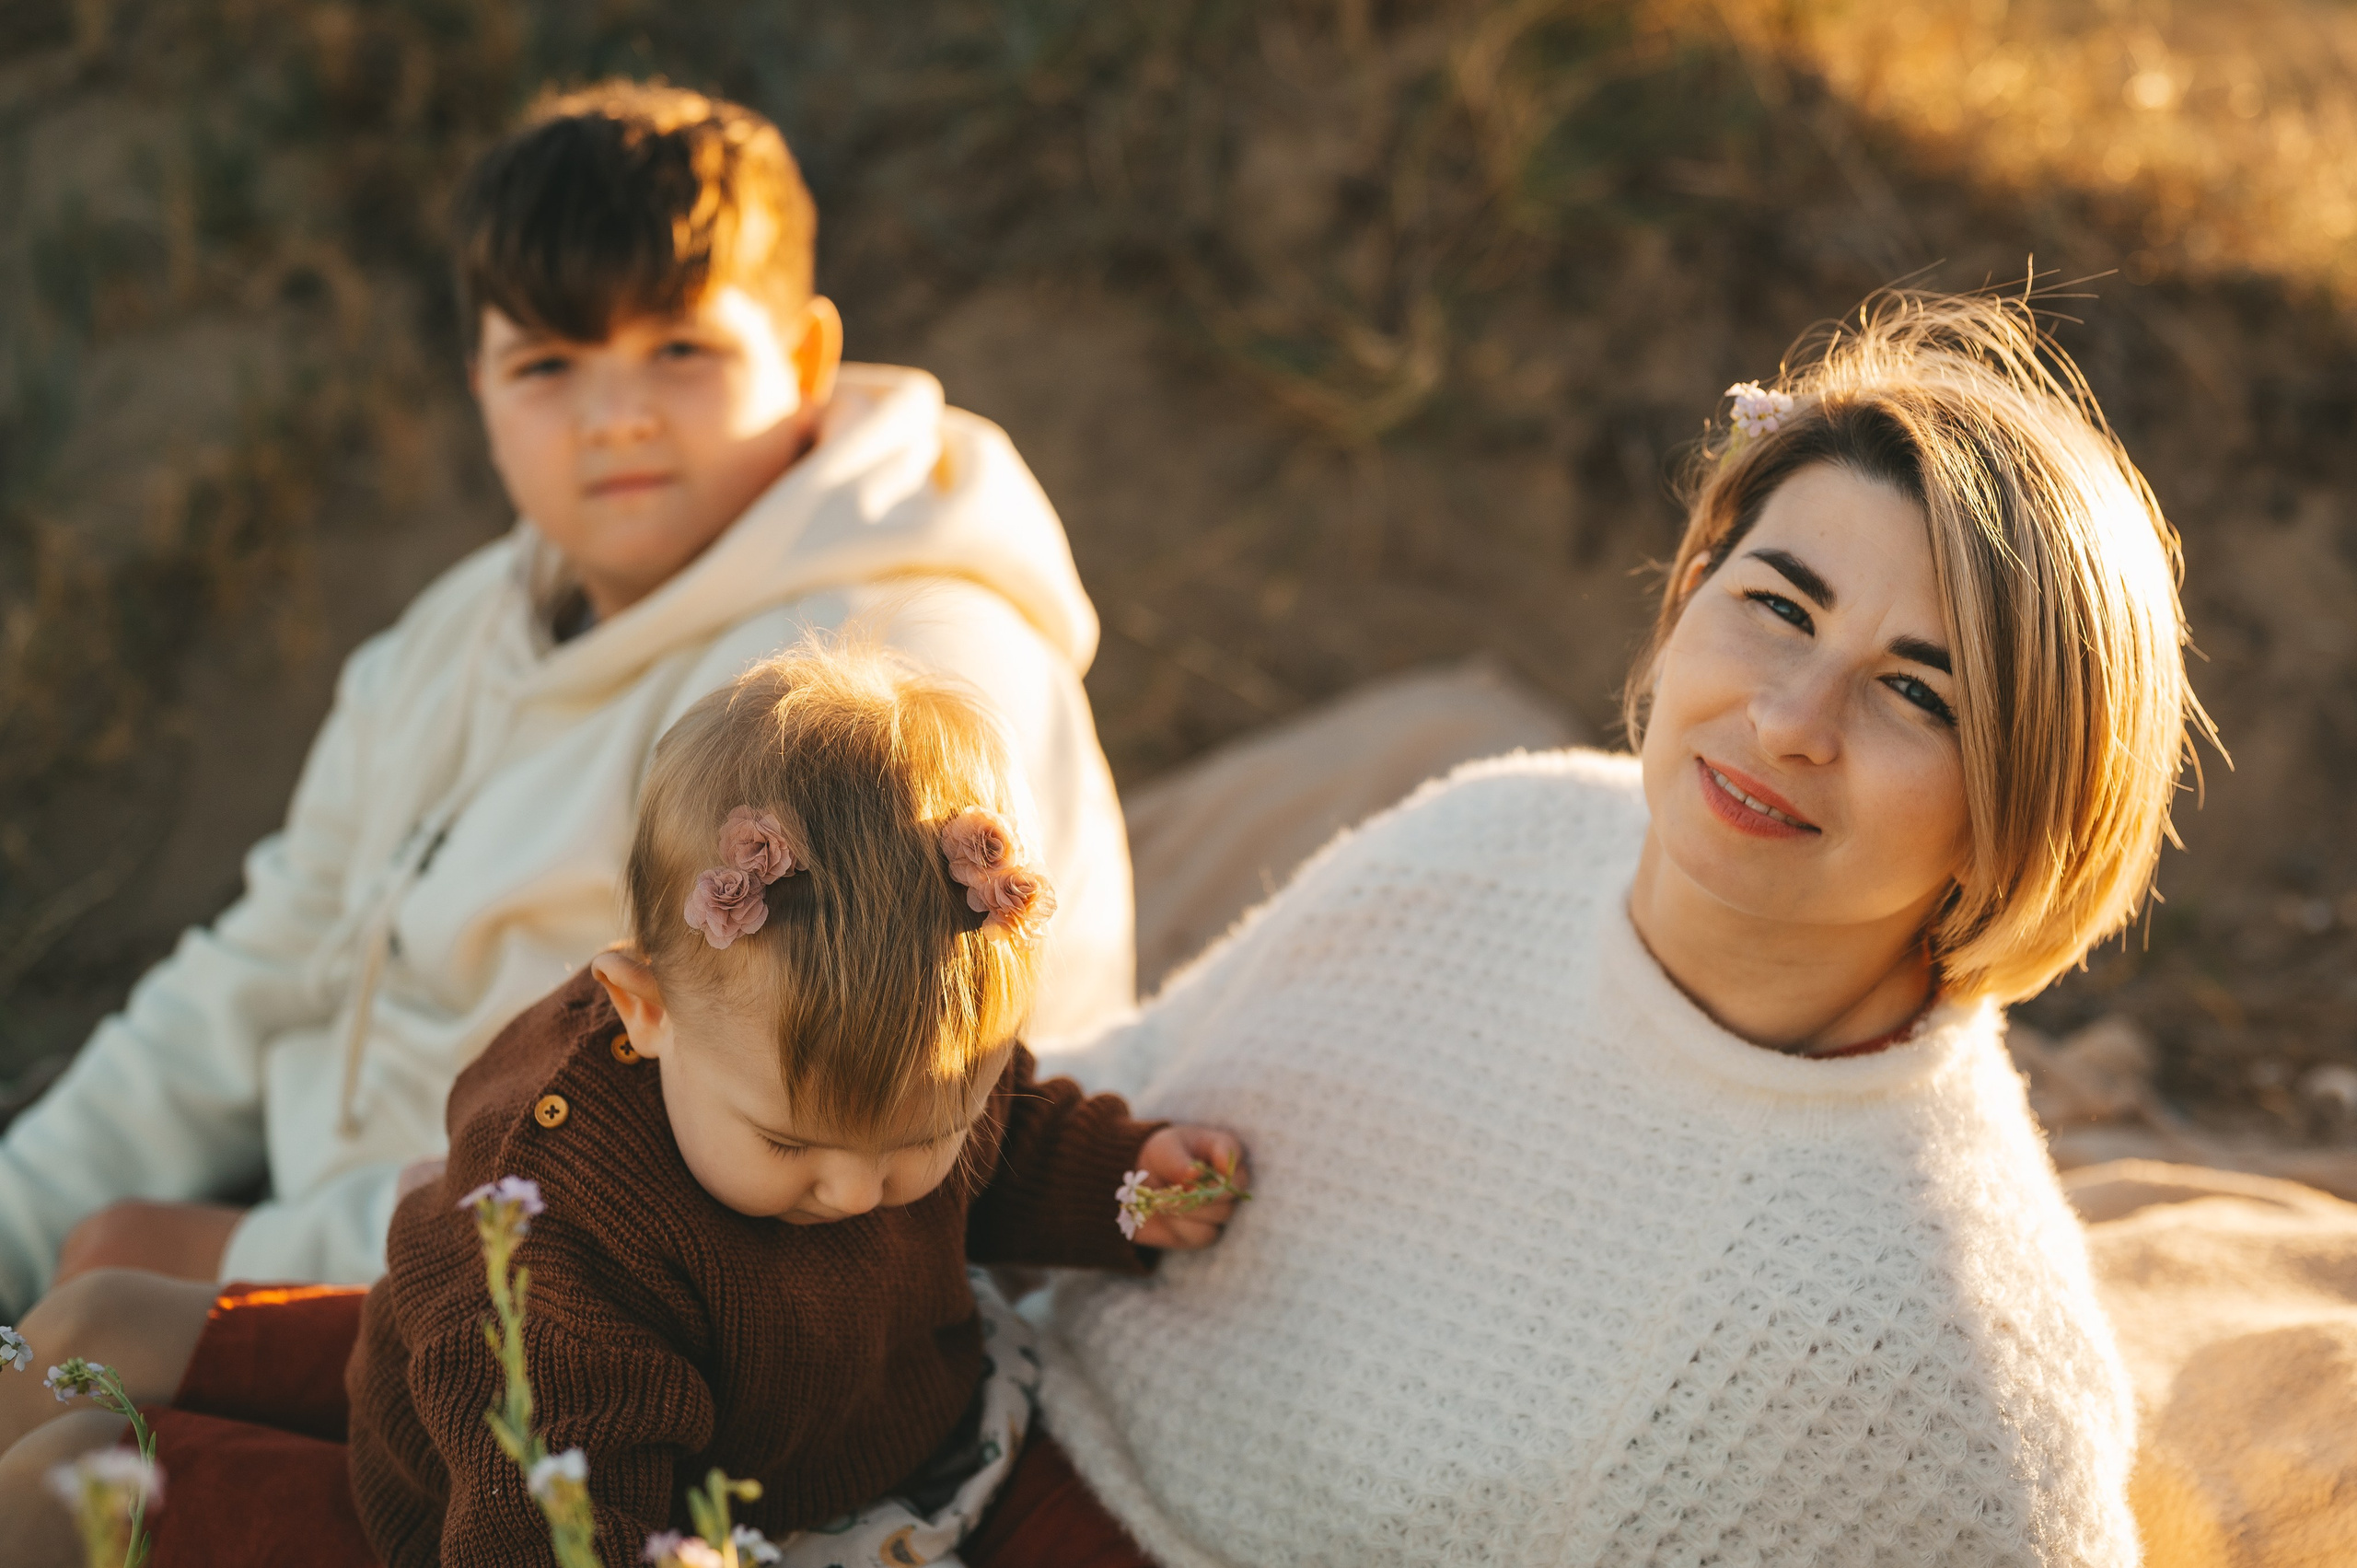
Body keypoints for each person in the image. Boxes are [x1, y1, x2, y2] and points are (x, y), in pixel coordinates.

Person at [962, 290, 2198, 1566]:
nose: (1791, 718)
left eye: (1916, 691)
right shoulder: (1499, 833)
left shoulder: (1940, 1361)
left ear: (2025, 809)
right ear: (1689, 595)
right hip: (927, 1452)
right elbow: (1117, 1102)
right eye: (1780, 605)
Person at [0, 81, 1134, 1314]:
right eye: (548, 364)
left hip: (633, 1312)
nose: (616, 417)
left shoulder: (872, 680)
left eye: (681, 350)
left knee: (96, 1322)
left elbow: (748, 1147)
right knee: (83, 1252)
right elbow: (268, 959)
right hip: (364, 1201)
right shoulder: (463, 628)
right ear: (479, 385)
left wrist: (239, 1258)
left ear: (805, 357)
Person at [0, 646, 1245, 1565]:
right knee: (76, 1470)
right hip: (486, 1491)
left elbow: (1016, 1134)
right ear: (641, 1009)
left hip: (822, 1437)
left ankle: (119, 1353)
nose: (861, 1190)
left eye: (923, 1137)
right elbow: (549, 1505)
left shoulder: (885, 1064)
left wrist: (1130, 1179)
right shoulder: (566, 1248)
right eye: (795, 1145)